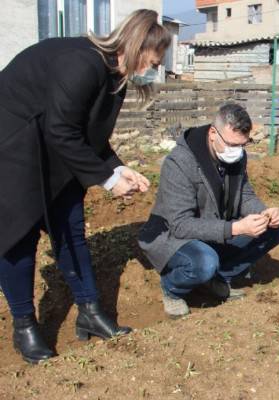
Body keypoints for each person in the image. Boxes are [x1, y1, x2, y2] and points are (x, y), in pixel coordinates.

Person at [0, 10, 171, 364]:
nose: (149, 70)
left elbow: (87, 133)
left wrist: (119, 168)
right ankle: (24, 326)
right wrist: (108, 180)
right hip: (12, 144)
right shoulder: (82, 63)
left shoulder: (114, 77)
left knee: (71, 227)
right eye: (150, 61)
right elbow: (62, 130)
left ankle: (90, 311)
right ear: (136, 46)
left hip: (49, 142)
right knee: (20, 235)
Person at [138, 103, 279, 319]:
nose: (236, 151)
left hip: (214, 226)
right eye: (231, 144)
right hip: (173, 236)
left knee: (277, 229)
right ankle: (172, 289)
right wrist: (235, 228)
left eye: (242, 145)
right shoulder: (179, 162)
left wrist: (265, 213)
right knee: (204, 262)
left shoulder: (236, 157)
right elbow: (180, 225)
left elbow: (245, 196)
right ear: (212, 133)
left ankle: (217, 279)